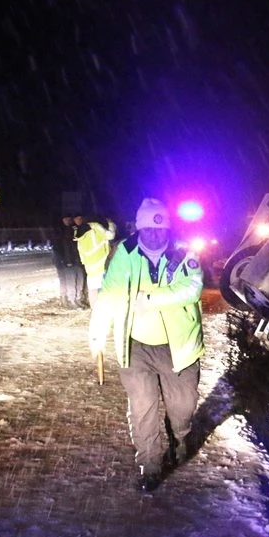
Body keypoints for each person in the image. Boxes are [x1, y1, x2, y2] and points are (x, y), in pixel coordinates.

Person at [89, 197, 204, 493]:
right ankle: (149, 466)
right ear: (139, 229)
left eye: (160, 228)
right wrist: (97, 335)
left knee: (182, 407)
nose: (155, 234)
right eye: (148, 229)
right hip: (136, 346)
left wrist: (151, 301)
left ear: (167, 228)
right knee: (142, 408)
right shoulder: (125, 253)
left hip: (178, 347)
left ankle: (179, 436)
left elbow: (192, 288)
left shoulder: (183, 251)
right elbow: (109, 294)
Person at [73, 214, 117, 306]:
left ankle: (94, 309)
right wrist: (111, 224)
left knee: (92, 289)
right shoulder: (95, 227)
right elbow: (110, 236)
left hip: (89, 266)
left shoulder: (79, 231)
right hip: (101, 264)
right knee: (104, 289)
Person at [52, 214, 84, 309]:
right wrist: (65, 261)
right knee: (66, 281)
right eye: (66, 219)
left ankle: (74, 300)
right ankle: (66, 300)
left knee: (77, 280)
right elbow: (60, 248)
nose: (68, 220)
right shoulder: (60, 231)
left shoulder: (74, 229)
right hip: (64, 261)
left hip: (73, 260)